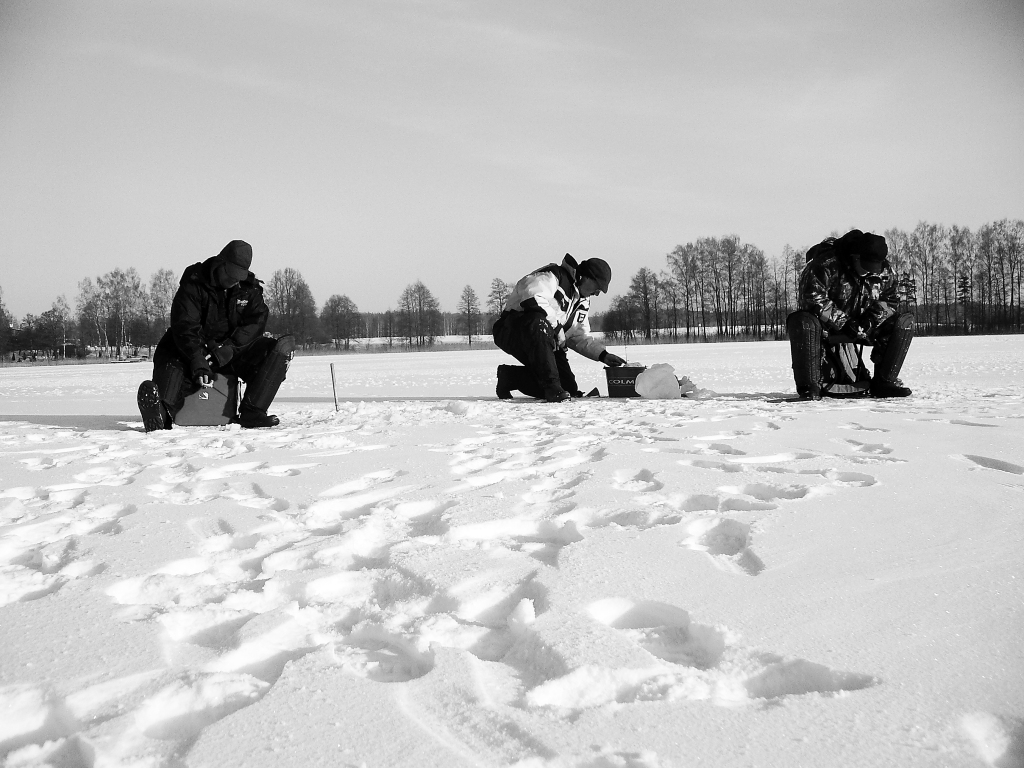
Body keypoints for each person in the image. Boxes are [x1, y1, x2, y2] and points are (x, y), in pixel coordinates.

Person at [137, 240, 294, 431]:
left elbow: (256, 322)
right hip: (192, 348)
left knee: (275, 350)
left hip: (231, 350)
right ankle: (161, 411)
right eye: (231, 275)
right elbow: (184, 325)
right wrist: (197, 358)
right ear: (220, 264)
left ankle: (253, 411)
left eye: (239, 276)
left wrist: (231, 348)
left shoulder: (248, 288)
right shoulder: (194, 283)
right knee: (171, 353)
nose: (234, 281)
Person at [787, 229, 914, 400]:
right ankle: (810, 387)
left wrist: (870, 321)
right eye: (865, 267)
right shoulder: (825, 265)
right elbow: (812, 298)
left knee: (903, 322)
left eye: (873, 269)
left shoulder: (885, 271)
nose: (869, 273)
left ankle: (884, 382)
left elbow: (890, 299)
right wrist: (844, 323)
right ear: (855, 257)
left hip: (862, 326)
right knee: (803, 322)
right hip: (825, 327)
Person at [492, 253, 626, 402]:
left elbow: (578, 336)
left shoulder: (582, 301)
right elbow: (532, 296)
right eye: (598, 287)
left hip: (545, 339)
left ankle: (511, 377)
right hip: (512, 330)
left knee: (568, 387)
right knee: (538, 322)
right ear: (587, 277)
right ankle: (551, 388)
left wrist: (602, 355)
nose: (597, 293)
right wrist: (557, 327)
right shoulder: (553, 276)